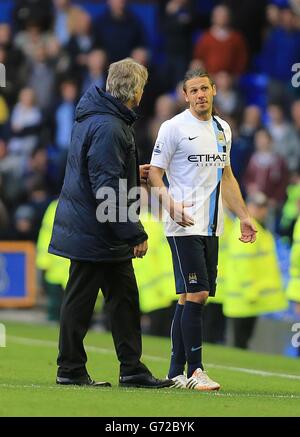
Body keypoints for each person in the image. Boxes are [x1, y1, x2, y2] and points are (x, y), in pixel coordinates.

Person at [49, 58, 173, 389]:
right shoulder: (109, 127)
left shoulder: (101, 119)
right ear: (134, 90)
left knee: (123, 300)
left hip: (96, 228)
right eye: (142, 87)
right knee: (85, 300)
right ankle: (72, 368)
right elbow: (107, 189)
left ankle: (129, 368)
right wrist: (134, 232)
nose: (143, 93)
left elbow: (107, 177)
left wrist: (135, 174)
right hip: (96, 230)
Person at [149, 68, 257, 391]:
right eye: (193, 90)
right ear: (185, 96)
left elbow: (228, 177)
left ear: (214, 91)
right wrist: (169, 205)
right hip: (181, 224)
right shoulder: (173, 128)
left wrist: (245, 216)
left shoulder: (223, 129)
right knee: (197, 293)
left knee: (190, 297)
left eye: (204, 89)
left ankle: (174, 372)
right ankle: (196, 370)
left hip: (212, 226)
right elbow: (155, 173)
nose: (200, 95)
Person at [223, 192, 287, 349]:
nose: (261, 211)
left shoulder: (258, 229)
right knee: (240, 343)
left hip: (250, 298)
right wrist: (249, 290)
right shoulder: (245, 228)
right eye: (257, 206)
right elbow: (243, 263)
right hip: (244, 298)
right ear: (247, 206)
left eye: (263, 207)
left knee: (244, 342)